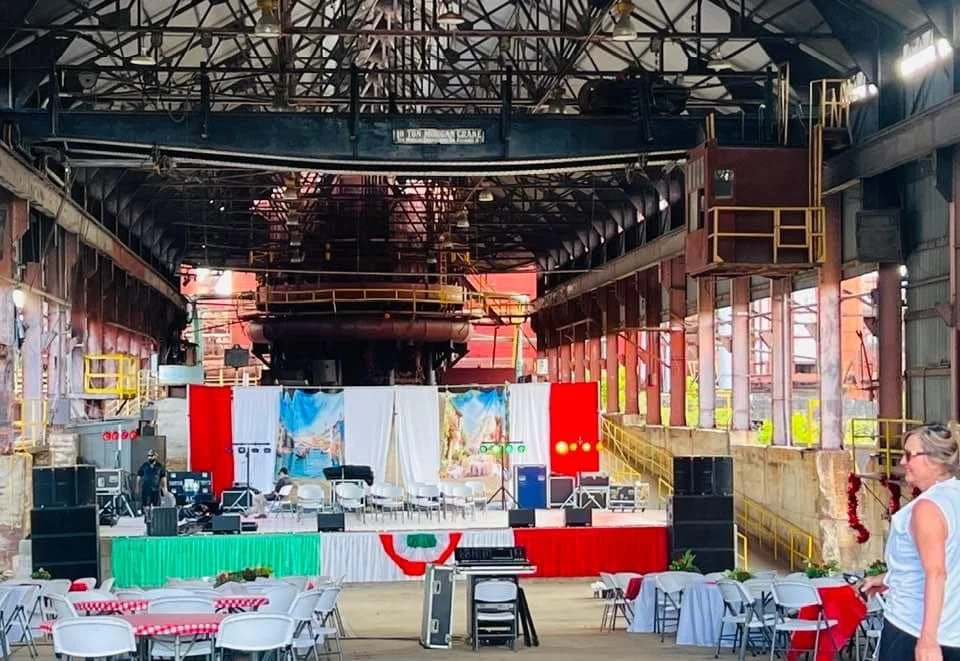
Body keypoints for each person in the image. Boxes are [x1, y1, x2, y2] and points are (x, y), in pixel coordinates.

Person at [861, 423, 960, 660]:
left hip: (913, 629)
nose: (903, 462)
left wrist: (927, 640)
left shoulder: (926, 508)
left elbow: (936, 572)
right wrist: (887, 578)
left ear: (935, 460)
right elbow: (948, 561)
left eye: (909, 455)